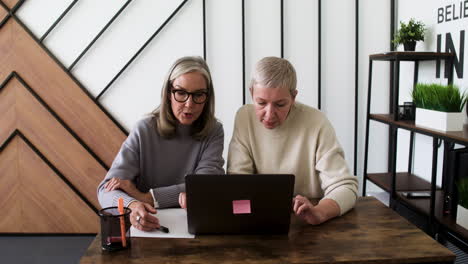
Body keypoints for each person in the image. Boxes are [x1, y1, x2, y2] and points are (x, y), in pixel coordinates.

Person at [97, 56, 224, 231]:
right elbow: (105, 190)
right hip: (150, 227)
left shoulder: (214, 131)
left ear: (207, 97)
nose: (189, 104)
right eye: (181, 93)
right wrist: (134, 204)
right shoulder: (145, 129)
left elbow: (203, 185)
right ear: (168, 94)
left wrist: (147, 197)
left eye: (199, 95)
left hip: (194, 227)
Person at [227, 56, 358, 225]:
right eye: (261, 103)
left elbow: (346, 188)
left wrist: (319, 212)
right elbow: (237, 185)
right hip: (258, 221)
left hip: (308, 225)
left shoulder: (316, 122)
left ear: (294, 96)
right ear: (251, 92)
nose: (269, 114)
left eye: (280, 104)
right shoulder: (244, 117)